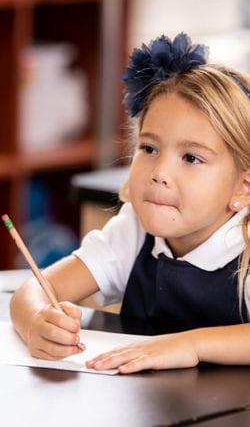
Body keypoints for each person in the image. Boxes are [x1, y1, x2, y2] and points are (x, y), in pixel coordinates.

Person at [10, 33, 250, 373]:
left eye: (191, 158)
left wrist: (190, 345)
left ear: (244, 188)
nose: (160, 172)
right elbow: (35, 288)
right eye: (149, 149)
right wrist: (37, 320)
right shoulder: (134, 230)